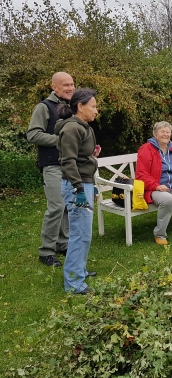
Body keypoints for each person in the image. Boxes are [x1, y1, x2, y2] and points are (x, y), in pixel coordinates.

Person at [27, 72, 75, 267]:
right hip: (52, 165)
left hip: (69, 164)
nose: (70, 88)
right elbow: (33, 134)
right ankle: (46, 251)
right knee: (56, 206)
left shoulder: (72, 107)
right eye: (66, 85)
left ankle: (63, 244)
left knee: (67, 206)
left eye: (72, 84)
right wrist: (60, 140)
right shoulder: (44, 107)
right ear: (54, 87)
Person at [55, 88, 99, 294]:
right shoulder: (72, 128)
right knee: (79, 234)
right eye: (93, 106)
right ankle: (73, 283)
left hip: (84, 183)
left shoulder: (84, 127)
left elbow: (81, 159)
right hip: (76, 187)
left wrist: (91, 183)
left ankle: (79, 270)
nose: (96, 110)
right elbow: (68, 162)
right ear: (80, 106)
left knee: (85, 234)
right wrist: (79, 188)